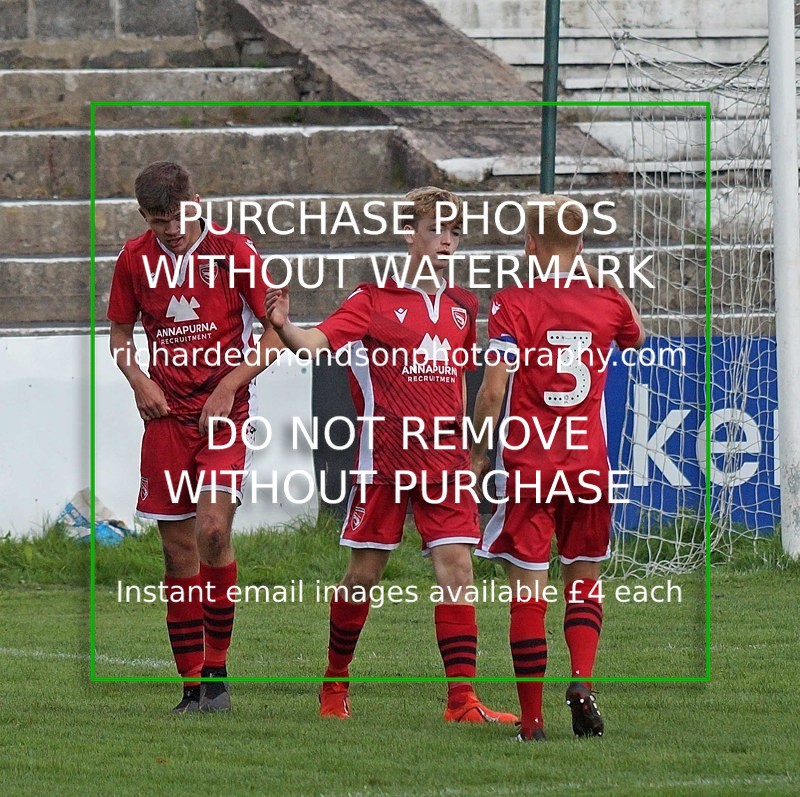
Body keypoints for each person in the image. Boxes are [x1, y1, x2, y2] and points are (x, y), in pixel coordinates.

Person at [265, 186, 517, 724]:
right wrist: (284, 325)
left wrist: (473, 448)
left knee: (458, 571)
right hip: (384, 463)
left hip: (444, 463)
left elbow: (460, 379)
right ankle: (334, 683)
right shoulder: (372, 299)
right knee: (363, 576)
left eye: (454, 232)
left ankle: (462, 701)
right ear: (411, 233)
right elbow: (315, 346)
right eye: (435, 230)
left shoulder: (462, 306)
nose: (446, 241)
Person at [107, 161, 282, 713]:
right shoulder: (133, 260)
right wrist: (137, 379)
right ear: (145, 218)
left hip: (222, 415)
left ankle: (219, 673)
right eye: (160, 222)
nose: (173, 229)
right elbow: (118, 334)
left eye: (180, 216)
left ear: (198, 201)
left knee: (211, 531)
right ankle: (192, 687)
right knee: (177, 550)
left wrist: (230, 385)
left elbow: (274, 337)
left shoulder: (234, 252)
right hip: (165, 419)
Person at [470, 194, 646, 741]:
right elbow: (635, 330)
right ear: (582, 245)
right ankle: (583, 679)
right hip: (588, 467)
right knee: (584, 580)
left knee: (528, 590)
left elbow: (494, 387)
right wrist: (589, 271)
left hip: (531, 465)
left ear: (529, 245)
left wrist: (477, 455)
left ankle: (533, 722)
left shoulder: (512, 303)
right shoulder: (608, 303)